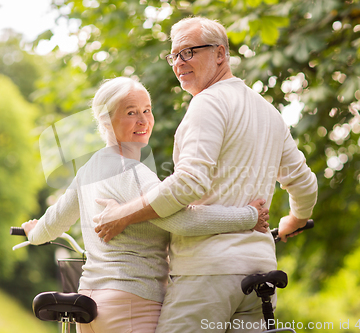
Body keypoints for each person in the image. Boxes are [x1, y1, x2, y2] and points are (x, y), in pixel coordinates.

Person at [93, 18, 318, 333]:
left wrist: (123, 214)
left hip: (208, 274)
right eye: (174, 56)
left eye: (188, 52)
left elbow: (188, 183)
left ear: (220, 54)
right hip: (260, 275)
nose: (179, 63)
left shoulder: (207, 103)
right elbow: (305, 184)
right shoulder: (269, 113)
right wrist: (296, 218)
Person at [22, 77, 271, 333]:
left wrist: (33, 232)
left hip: (91, 302)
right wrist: (249, 216)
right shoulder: (132, 171)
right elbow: (182, 221)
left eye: (147, 110)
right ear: (106, 120)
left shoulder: (89, 169)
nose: (143, 120)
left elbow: (51, 224)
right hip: (133, 303)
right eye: (131, 113)